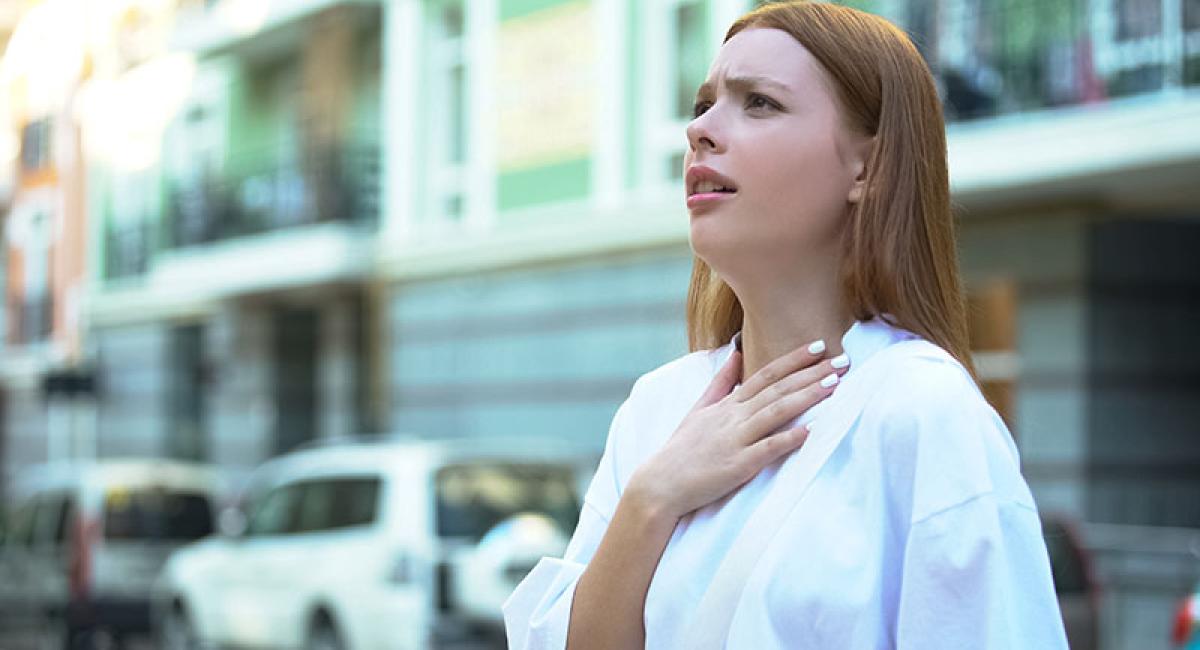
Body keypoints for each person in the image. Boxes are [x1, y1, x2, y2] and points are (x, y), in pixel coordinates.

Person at [503, 2, 1068, 648]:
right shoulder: (656, 412)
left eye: (759, 104)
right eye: (702, 105)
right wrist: (651, 500)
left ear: (867, 166)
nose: (702, 132)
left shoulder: (923, 413)